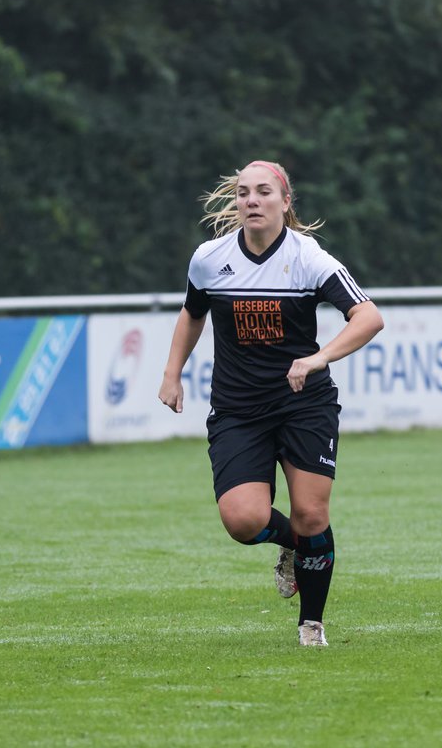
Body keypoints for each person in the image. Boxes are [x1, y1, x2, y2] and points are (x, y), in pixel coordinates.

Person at [158, 160, 383, 647]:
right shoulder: (209, 258)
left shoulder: (309, 258)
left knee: (310, 513)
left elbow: (368, 318)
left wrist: (317, 358)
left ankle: (311, 626)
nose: (251, 200)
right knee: (243, 521)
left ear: (285, 202)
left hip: (304, 404)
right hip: (238, 410)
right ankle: (291, 547)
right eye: (243, 193)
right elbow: (192, 313)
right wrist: (171, 373)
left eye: (263, 192)